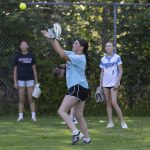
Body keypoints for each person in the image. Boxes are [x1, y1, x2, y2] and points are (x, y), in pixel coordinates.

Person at [41, 29, 91, 144]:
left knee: (62, 111)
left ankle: (75, 132)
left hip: (77, 87)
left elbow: (62, 55)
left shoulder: (80, 58)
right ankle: (87, 139)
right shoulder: (73, 54)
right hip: (83, 88)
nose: (73, 44)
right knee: (79, 116)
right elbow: (59, 50)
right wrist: (51, 39)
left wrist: (54, 38)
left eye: (76, 43)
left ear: (82, 47)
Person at [100, 42, 128, 129]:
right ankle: (110, 123)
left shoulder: (117, 57)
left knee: (114, 103)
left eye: (109, 46)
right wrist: (100, 85)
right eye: (106, 46)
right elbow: (102, 73)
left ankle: (123, 122)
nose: (108, 47)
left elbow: (121, 71)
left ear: (113, 48)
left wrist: (117, 82)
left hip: (114, 84)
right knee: (108, 103)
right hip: (105, 84)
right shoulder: (103, 59)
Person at [13, 40, 38, 122]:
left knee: (31, 98)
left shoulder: (31, 56)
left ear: (28, 46)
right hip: (20, 80)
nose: (23, 46)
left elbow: (34, 69)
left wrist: (36, 82)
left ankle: (33, 116)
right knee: (21, 99)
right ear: (20, 47)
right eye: (22, 44)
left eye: (25, 44)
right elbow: (15, 70)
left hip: (30, 80)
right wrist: (15, 82)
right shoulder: (17, 57)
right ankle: (20, 116)